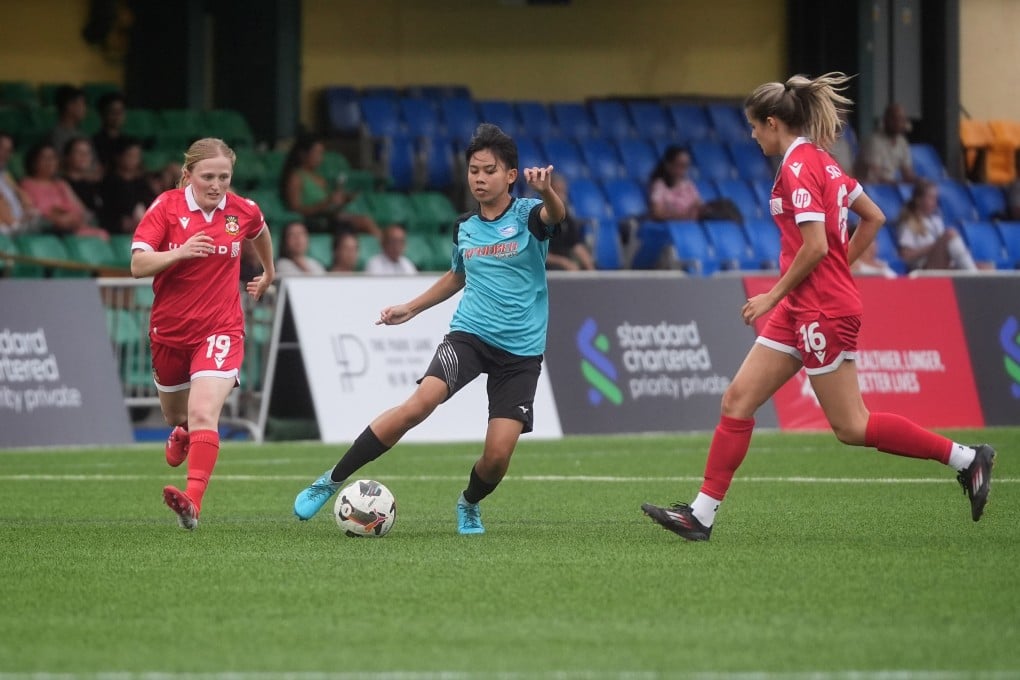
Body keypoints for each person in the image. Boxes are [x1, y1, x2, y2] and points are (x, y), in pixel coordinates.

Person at [641, 73, 995, 542]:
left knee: (852, 426)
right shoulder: (823, 161)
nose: (752, 135)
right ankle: (700, 516)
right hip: (805, 304)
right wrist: (834, 269)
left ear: (772, 123)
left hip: (821, 309)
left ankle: (967, 459)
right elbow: (874, 217)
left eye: (754, 126)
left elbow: (814, 246)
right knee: (737, 400)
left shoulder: (797, 167)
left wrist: (773, 294)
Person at [292, 123, 565, 534]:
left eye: (489, 170)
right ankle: (330, 480)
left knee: (497, 458)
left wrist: (546, 192)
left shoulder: (529, 215)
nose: (479, 178)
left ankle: (469, 503)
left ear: (511, 175)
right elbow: (457, 276)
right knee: (418, 405)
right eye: (473, 170)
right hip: (470, 336)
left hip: (521, 352)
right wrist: (411, 308)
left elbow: (555, 215)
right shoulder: (464, 227)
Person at [130, 137, 275, 530]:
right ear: (188, 174)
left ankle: (192, 502)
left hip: (221, 329)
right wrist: (179, 252)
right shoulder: (167, 207)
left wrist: (268, 271)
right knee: (178, 414)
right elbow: (138, 266)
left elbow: (260, 230)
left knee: (203, 412)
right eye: (208, 176)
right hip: (170, 331)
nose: (216, 185)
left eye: (224, 177)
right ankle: (181, 432)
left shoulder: (242, 210)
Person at [279, 133, 381, 237]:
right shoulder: (296, 177)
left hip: (331, 217)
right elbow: (295, 209)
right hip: (314, 221)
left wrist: (343, 200)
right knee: (364, 221)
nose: (320, 158)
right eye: (316, 153)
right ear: (303, 154)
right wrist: (326, 203)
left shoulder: (319, 177)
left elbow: (330, 205)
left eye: (321, 153)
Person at [19, 141, 107, 239]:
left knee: (101, 235)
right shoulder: (26, 184)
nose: (50, 162)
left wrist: (70, 218)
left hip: (72, 228)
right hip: (47, 229)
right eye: (45, 158)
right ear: (34, 162)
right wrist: (56, 218)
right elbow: (33, 211)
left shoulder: (61, 184)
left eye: (53, 158)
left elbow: (80, 210)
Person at [896, 179, 978, 272]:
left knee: (985, 266)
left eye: (936, 198)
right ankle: (973, 275)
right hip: (922, 269)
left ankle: (973, 273)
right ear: (918, 200)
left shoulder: (936, 220)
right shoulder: (909, 223)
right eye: (931, 198)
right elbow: (905, 256)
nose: (935, 203)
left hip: (943, 264)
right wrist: (934, 246)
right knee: (950, 234)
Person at [99, 137, 156, 235]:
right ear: (118, 157)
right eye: (130, 155)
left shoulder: (141, 182)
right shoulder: (109, 182)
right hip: (118, 228)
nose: (134, 160)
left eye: (137, 156)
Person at [855, 103, 916, 185]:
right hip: (870, 187)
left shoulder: (902, 142)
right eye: (894, 118)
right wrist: (899, 183)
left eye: (902, 119)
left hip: (890, 186)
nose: (898, 123)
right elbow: (876, 177)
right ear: (885, 120)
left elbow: (908, 174)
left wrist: (920, 182)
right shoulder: (874, 141)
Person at [546, 175, 595, 271]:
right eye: (558, 191)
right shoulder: (538, 217)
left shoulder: (566, 216)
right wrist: (564, 262)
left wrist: (590, 267)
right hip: (545, 267)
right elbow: (536, 255)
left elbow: (576, 244)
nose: (563, 196)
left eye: (564, 192)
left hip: (565, 262)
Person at [0, 132, 41, 234]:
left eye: (8, 151)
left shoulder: (6, 175)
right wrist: (16, 223)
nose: (5, 154)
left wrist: (29, 210)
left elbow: (23, 197)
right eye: (1, 148)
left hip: (20, 226)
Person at [61, 137, 103, 220]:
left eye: (88, 152)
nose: (84, 156)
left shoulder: (96, 184)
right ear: (67, 157)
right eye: (78, 152)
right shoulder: (60, 185)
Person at [92, 91, 127, 171]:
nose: (117, 116)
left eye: (120, 111)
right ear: (102, 114)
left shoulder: (128, 142)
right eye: (113, 111)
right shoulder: (93, 142)